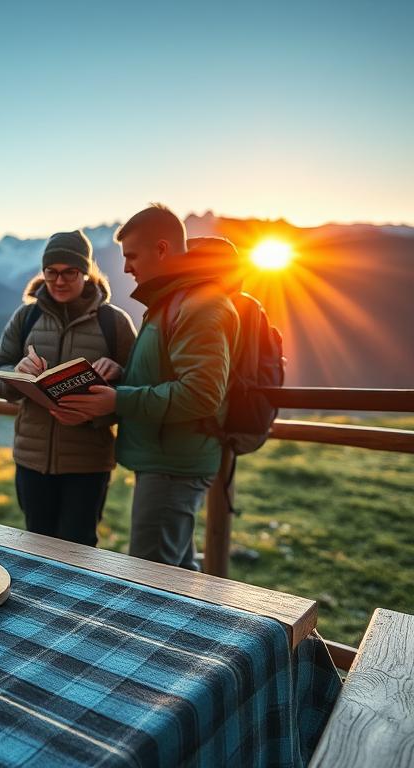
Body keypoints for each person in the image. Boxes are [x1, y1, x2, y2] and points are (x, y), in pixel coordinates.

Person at [59, 205, 240, 570]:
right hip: (168, 460)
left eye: (132, 256)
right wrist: (120, 374)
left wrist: (119, 399)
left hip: (173, 465)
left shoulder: (198, 305)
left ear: (162, 249)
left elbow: (201, 394)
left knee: (151, 577)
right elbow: (167, 373)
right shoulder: (173, 301)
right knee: (176, 572)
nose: (126, 267)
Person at [0, 230, 136, 547]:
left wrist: (118, 375)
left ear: (86, 272)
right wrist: (15, 372)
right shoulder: (26, 317)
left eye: (70, 272)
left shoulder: (115, 322)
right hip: (32, 460)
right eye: (51, 272)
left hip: (87, 462)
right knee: (37, 545)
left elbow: (136, 390)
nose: (59, 280)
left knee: (79, 547)